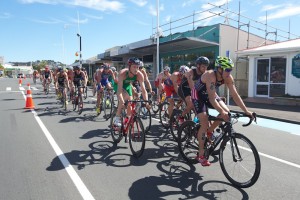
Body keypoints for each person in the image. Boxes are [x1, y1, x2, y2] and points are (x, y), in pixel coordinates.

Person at [192, 56, 254, 166]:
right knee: (204, 122)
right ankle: (200, 154)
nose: (229, 72)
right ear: (219, 69)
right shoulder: (210, 75)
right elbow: (211, 98)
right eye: (227, 70)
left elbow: (235, 95)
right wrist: (222, 111)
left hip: (210, 94)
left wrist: (246, 111)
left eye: (231, 70)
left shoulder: (228, 78)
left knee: (227, 113)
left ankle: (209, 131)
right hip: (198, 95)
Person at [113, 57, 150, 127]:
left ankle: (127, 119)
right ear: (129, 67)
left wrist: (146, 102)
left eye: (138, 67)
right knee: (124, 98)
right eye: (134, 67)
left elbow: (144, 90)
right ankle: (117, 118)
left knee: (131, 102)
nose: (136, 69)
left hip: (127, 85)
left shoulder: (139, 74)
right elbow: (120, 92)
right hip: (118, 84)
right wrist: (122, 101)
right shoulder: (122, 73)